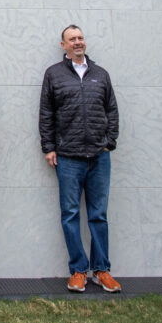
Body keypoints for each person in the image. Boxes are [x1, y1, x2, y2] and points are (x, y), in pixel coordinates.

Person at [39, 24, 121, 293]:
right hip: (68, 157)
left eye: (80, 38)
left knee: (98, 215)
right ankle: (78, 270)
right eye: (72, 39)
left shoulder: (101, 74)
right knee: (70, 214)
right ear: (63, 45)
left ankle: (102, 270)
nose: (78, 42)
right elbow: (46, 113)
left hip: (99, 156)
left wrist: (110, 142)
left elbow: (112, 110)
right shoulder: (54, 74)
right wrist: (49, 147)